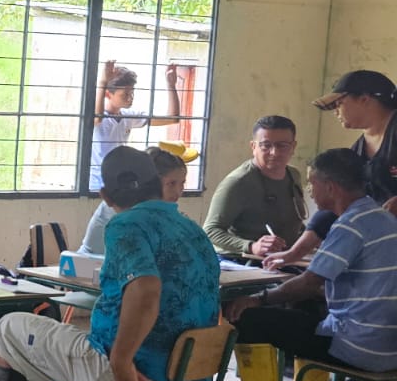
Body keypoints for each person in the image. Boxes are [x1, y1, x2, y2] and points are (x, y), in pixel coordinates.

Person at [0, 146, 219, 381]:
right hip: (191, 380)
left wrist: (121, 360)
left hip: (137, 379)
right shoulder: (192, 229)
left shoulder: (125, 225)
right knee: (121, 330)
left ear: (105, 196)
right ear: (158, 184)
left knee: (8, 328)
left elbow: (145, 289)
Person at [217, 148, 397, 381]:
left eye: (313, 183)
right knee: (307, 309)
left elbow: (309, 282)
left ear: (331, 187)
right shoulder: (382, 218)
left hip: (359, 348)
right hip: (389, 347)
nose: (310, 191)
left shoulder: (350, 225)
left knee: (247, 318)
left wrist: (257, 299)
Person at [266, 71, 397, 271]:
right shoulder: (359, 149)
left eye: (339, 104)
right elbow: (334, 203)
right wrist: (293, 254)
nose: (336, 112)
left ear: (364, 99)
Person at [202, 117, 306, 259]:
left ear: (293, 147)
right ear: (253, 147)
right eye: (266, 145)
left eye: (282, 145)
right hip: (242, 261)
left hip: (284, 258)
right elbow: (210, 230)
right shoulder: (238, 182)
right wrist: (251, 246)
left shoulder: (294, 175)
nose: (274, 152)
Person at [89, 60, 183, 192]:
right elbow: (97, 118)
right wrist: (103, 82)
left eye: (132, 92)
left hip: (119, 185)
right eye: (125, 94)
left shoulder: (128, 116)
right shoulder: (100, 117)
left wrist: (171, 85)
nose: (130, 97)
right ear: (108, 94)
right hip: (96, 185)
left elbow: (173, 119)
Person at [80, 146, 188, 254]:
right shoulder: (123, 205)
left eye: (182, 183)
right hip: (91, 262)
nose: (178, 192)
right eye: (171, 184)